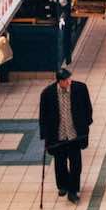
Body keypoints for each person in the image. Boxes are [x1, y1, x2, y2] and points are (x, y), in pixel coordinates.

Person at [38, 67, 93, 202]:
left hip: (74, 135)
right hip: (58, 136)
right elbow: (43, 116)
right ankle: (63, 185)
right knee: (60, 163)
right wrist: (45, 135)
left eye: (69, 78)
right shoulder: (47, 94)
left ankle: (73, 190)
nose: (69, 82)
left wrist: (86, 124)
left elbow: (87, 108)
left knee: (76, 164)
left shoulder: (80, 89)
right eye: (65, 80)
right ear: (59, 82)